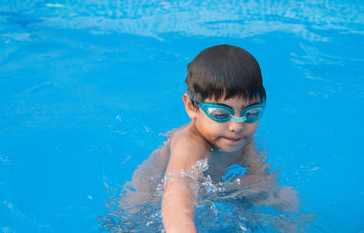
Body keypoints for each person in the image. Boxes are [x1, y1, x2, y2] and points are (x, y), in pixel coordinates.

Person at [118, 45, 299, 232]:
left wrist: (289, 220)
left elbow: (263, 183)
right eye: (221, 114)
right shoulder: (189, 144)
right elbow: (178, 192)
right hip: (142, 216)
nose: (237, 126)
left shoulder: (244, 140)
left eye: (251, 113)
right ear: (191, 107)